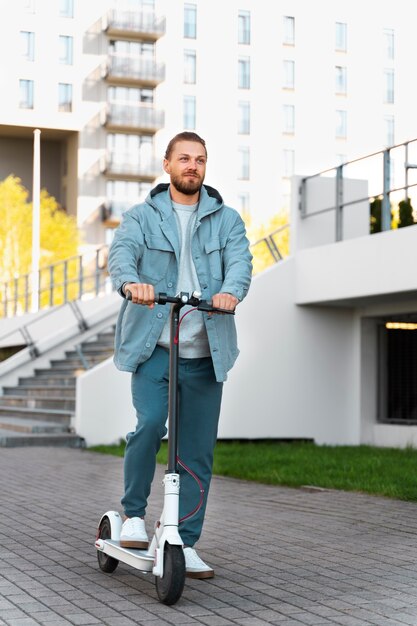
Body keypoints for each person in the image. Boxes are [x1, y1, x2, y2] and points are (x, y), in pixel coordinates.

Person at [108, 131, 252, 578]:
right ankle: (133, 513)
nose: (193, 166)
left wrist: (230, 291)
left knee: (196, 451)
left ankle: (183, 540)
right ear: (167, 164)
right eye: (184, 158)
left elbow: (241, 262)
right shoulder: (141, 217)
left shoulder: (226, 220)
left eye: (200, 160)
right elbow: (122, 254)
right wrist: (132, 283)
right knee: (150, 424)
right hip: (156, 346)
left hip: (206, 351)